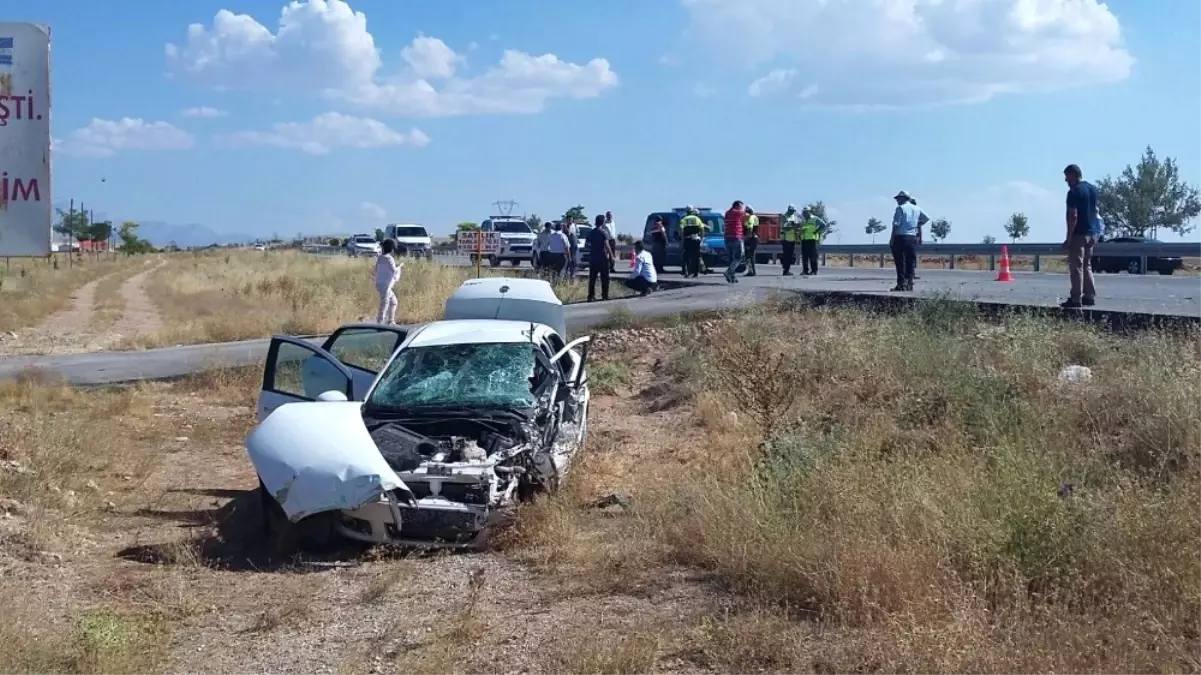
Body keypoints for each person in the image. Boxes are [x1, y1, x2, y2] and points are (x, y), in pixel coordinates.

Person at [1062, 163, 1101, 308]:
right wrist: (1097, 232)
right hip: (1092, 232)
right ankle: (1089, 296)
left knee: (1076, 266)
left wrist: (1069, 238)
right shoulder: (1093, 189)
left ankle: (1076, 298)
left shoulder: (1074, 192)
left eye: (1067, 177)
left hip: (1079, 233)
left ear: (1072, 175)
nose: (1066, 180)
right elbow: (1097, 212)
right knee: (1087, 265)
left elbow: (1073, 216)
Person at [889, 190, 928, 291]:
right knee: (910, 262)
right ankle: (909, 284)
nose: (897, 201)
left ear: (903, 199)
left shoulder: (900, 208)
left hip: (901, 237)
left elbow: (896, 224)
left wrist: (892, 238)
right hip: (912, 238)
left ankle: (901, 284)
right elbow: (925, 218)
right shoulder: (917, 209)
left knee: (900, 262)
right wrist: (916, 225)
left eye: (898, 199)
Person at [374, 238, 404, 324]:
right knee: (385, 303)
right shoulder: (390, 259)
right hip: (386, 285)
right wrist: (400, 266)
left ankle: (391, 320)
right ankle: (380, 323)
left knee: (394, 301)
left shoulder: (380, 258)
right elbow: (394, 271)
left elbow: (376, 269)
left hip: (379, 284)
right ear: (392, 248)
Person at [586, 214, 613, 301]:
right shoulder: (603, 232)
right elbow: (607, 245)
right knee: (604, 278)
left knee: (592, 278)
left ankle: (591, 296)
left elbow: (587, 244)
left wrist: (593, 246)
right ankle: (605, 295)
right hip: (602, 257)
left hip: (593, 257)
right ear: (602, 222)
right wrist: (611, 256)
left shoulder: (591, 232)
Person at [799, 207, 828, 276]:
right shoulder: (803, 220)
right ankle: (805, 270)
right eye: (804, 212)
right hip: (804, 239)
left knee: (813, 256)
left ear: (809, 212)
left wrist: (817, 231)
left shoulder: (814, 219)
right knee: (804, 257)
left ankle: (814, 270)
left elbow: (823, 225)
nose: (804, 213)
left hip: (812, 240)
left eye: (806, 212)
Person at [722, 200, 745, 284]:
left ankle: (732, 277)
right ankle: (728, 272)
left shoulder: (727, 213)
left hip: (727, 238)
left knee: (731, 259)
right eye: (741, 206)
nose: (742, 208)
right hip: (736, 237)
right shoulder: (737, 212)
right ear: (737, 206)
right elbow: (746, 215)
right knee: (739, 257)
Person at [679, 206, 706, 278]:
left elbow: (681, 230)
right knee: (696, 256)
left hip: (688, 239)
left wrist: (682, 239)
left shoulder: (684, 219)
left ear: (686, 212)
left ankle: (688, 272)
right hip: (696, 239)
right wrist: (702, 239)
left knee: (687, 256)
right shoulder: (697, 219)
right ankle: (696, 273)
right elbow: (702, 229)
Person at [780, 204, 801, 275]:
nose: (792, 212)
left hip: (792, 238)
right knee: (786, 255)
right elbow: (784, 228)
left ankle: (787, 269)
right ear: (789, 210)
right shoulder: (784, 217)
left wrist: (796, 227)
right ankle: (785, 270)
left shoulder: (794, 217)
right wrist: (793, 226)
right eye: (791, 211)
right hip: (785, 239)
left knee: (790, 256)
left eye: (793, 211)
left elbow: (796, 226)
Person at [743, 206, 759, 277]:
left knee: (750, 255)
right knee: (748, 255)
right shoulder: (748, 218)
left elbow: (750, 229)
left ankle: (752, 271)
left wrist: (746, 238)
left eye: (747, 211)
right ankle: (750, 271)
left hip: (751, 238)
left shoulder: (751, 217)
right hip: (751, 238)